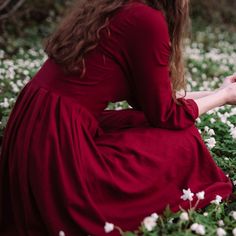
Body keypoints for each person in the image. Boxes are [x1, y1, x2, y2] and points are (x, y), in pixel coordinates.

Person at [0, 0, 236, 235]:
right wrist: (224, 97)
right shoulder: (147, 20)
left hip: (35, 124)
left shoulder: (114, 8)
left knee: (135, 121)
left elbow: (157, 100)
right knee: (183, 139)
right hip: (55, 143)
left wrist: (218, 91)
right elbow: (167, 116)